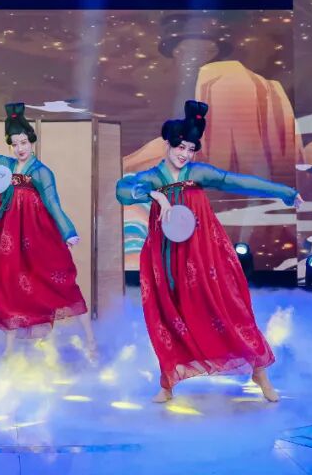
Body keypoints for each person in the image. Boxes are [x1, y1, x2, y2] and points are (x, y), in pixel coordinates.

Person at [116, 100, 302, 403]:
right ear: (168, 144)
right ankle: (168, 382)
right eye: (180, 147)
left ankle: (259, 372)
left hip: (204, 256)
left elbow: (238, 182)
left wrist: (285, 192)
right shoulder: (153, 177)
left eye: (190, 149)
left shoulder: (198, 172)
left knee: (227, 308)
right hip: (168, 258)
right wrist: (156, 197)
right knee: (169, 316)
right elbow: (122, 190)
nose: (184, 154)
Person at [0, 102, 97, 360]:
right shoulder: (6, 164)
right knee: (10, 284)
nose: (20, 148)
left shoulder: (41, 171)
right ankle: (9, 348)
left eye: (24, 142)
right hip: (8, 235)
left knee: (61, 283)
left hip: (36, 235)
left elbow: (53, 202)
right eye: (15, 144)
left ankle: (91, 340)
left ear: (31, 141)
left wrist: (68, 231)